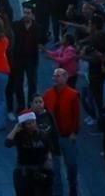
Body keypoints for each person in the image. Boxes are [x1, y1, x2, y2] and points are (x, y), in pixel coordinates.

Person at [42, 67, 80, 196]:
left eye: (58, 76)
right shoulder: (47, 94)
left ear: (65, 77)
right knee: (55, 169)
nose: (55, 78)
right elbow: (45, 114)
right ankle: (58, 192)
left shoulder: (73, 94)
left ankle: (73, 186)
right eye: (54, 76)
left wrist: (74, 132)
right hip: (52, 137)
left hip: (68, 135)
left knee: (71, 165)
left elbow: (76, 115)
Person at [5, 110, 53, 196]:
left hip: (40, 171)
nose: (32, 125)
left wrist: (48, 160)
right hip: (24, 173)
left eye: (33, 122)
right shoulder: (20, 136)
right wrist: (16, 128)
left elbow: (48, 149)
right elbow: (7, 143)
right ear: (23, 125)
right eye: (28, 123)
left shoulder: (42, 134)